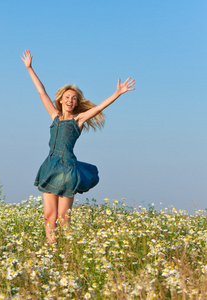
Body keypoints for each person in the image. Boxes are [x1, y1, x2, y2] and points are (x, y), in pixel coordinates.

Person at [21, 50, 135, 244]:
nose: (70, 100)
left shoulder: (78, 120)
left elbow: (98, 108)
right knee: (49, 215)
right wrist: (30, 68)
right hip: (50, 166)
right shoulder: (54, 116)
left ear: (77, 103)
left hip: (67, 170)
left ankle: (67, 254)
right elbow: (42, 91)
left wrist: (117, 93)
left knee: (64, 217)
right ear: (61, 99)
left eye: (74, 98)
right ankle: (51, 250)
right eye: (67, 97)